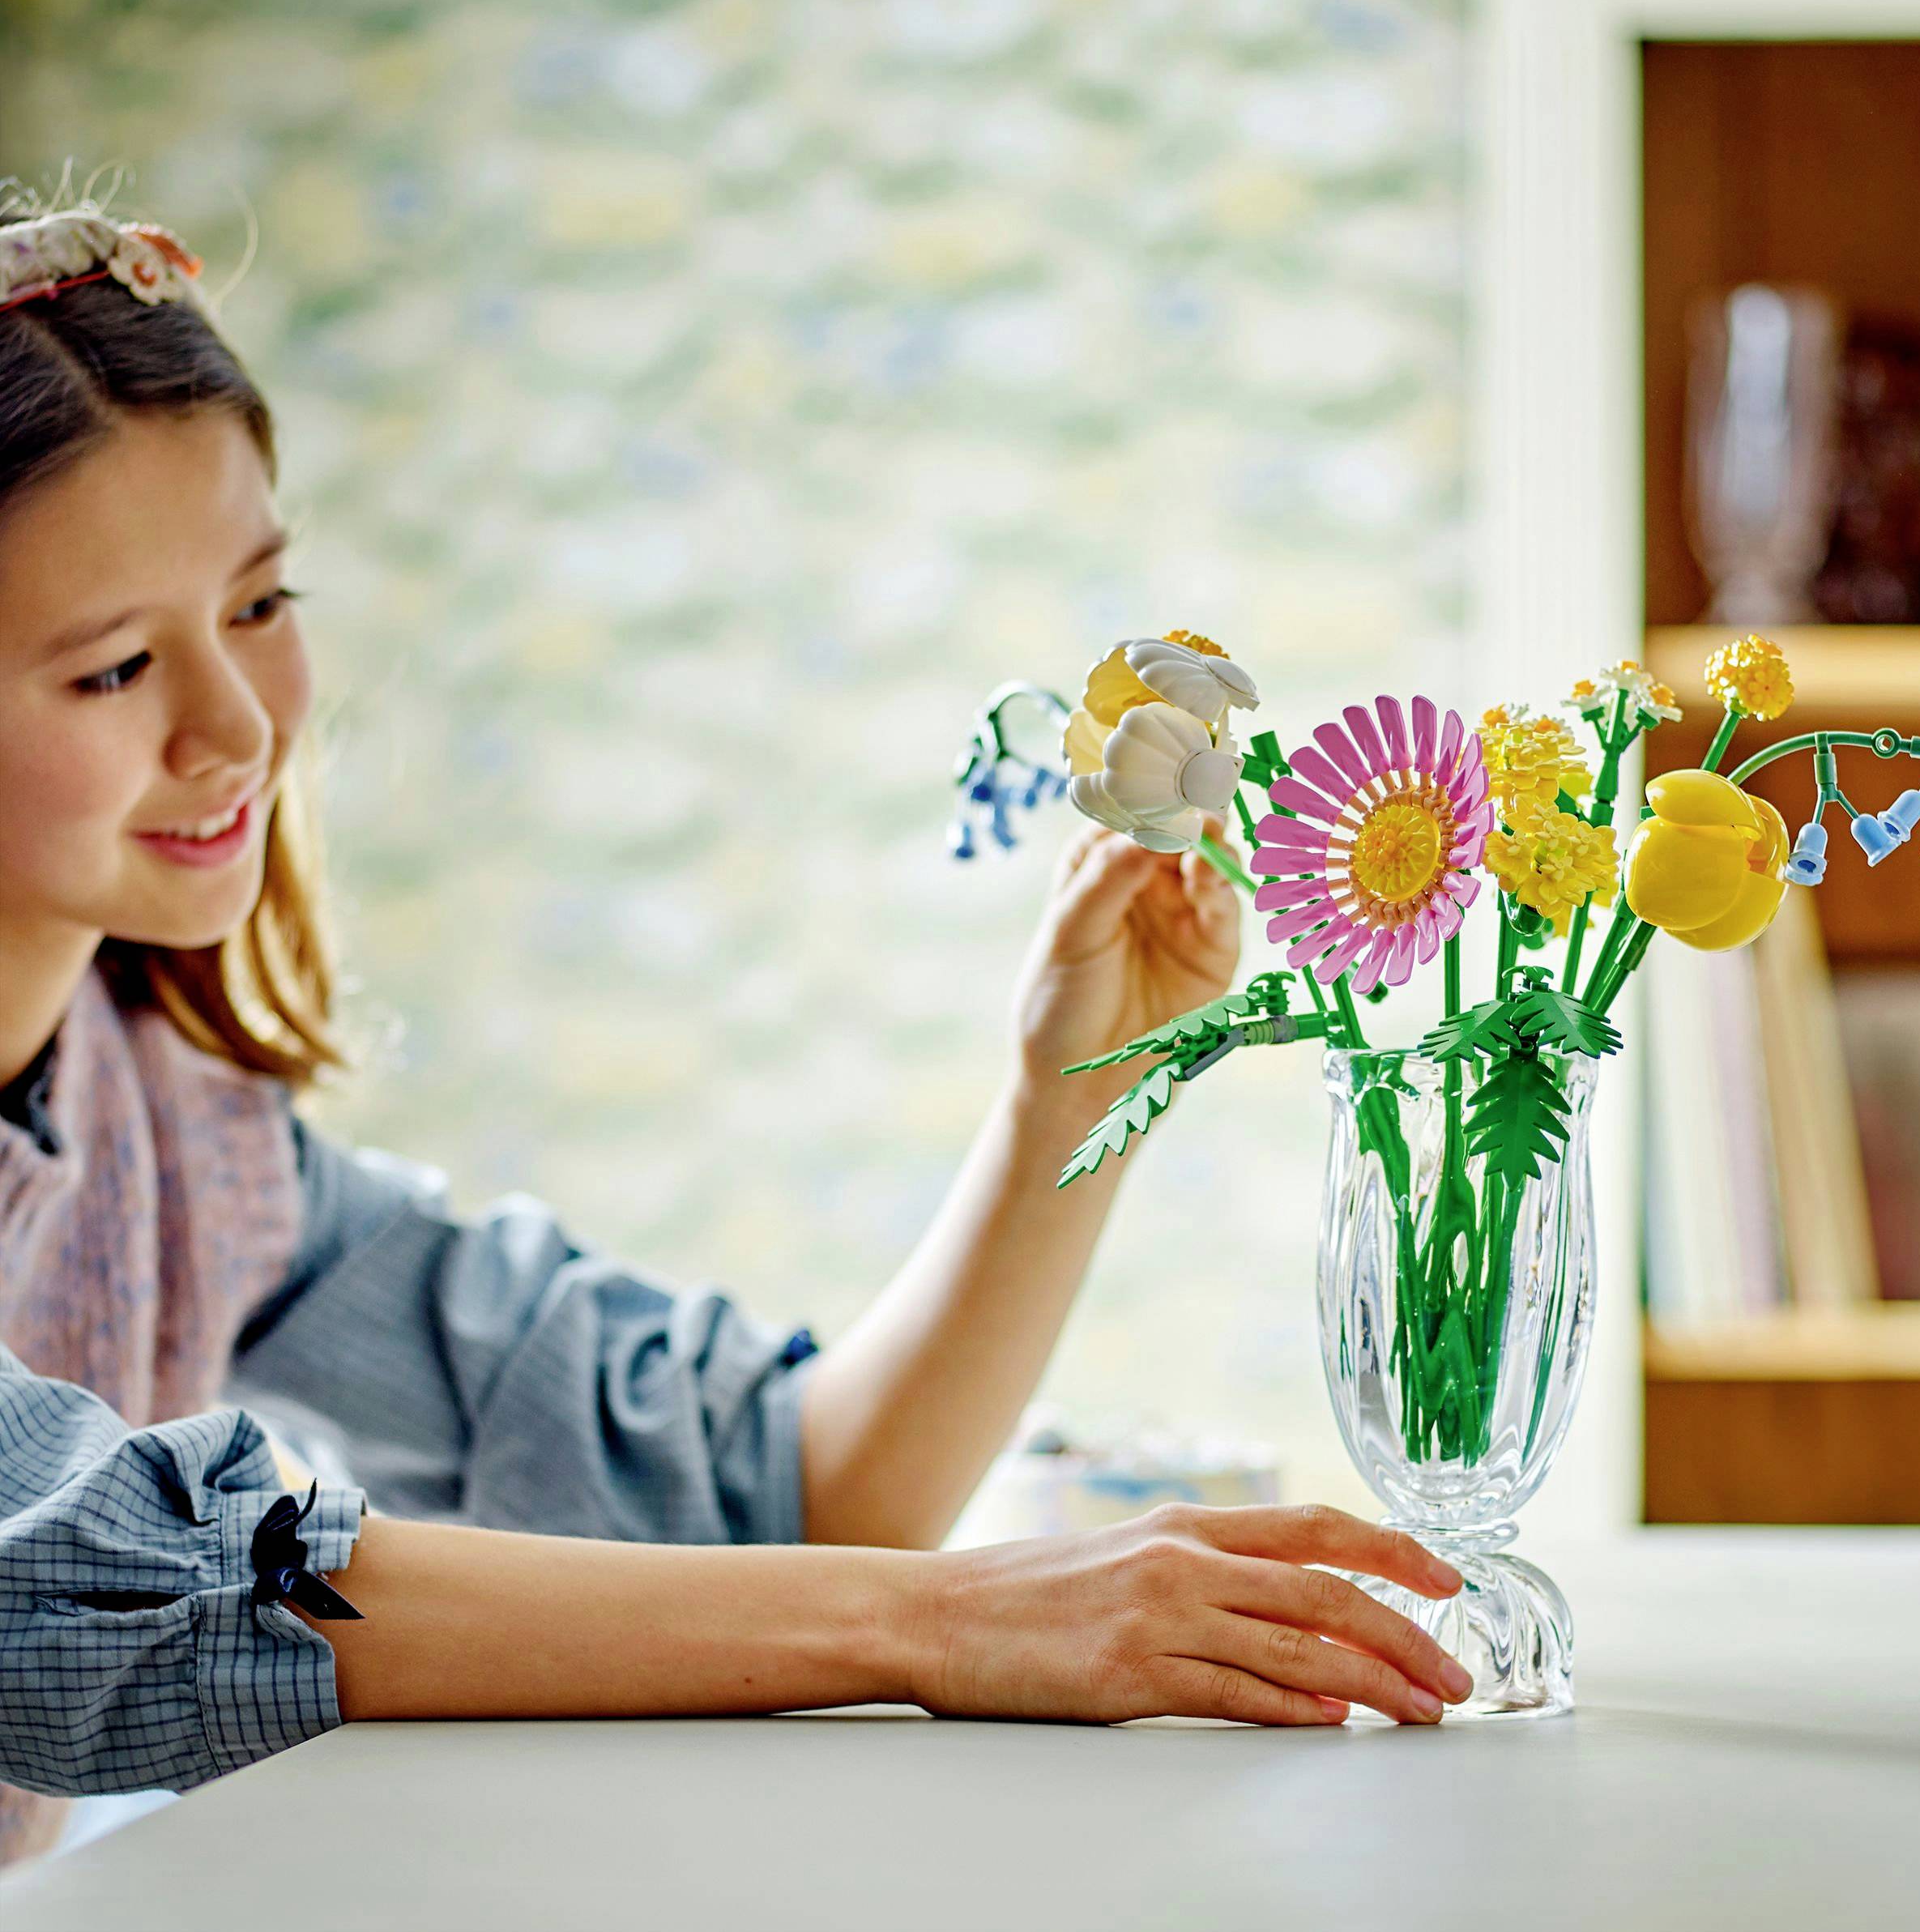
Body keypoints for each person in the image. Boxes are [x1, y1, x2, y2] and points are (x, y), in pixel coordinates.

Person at [0, 192, 1472, 1867]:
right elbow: (75, 1583)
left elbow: (792, 1487)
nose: (242, 723)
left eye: (263, 604)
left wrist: (1074, 1090)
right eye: (116, 667)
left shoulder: (182, 1132)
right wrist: (940, 1624)